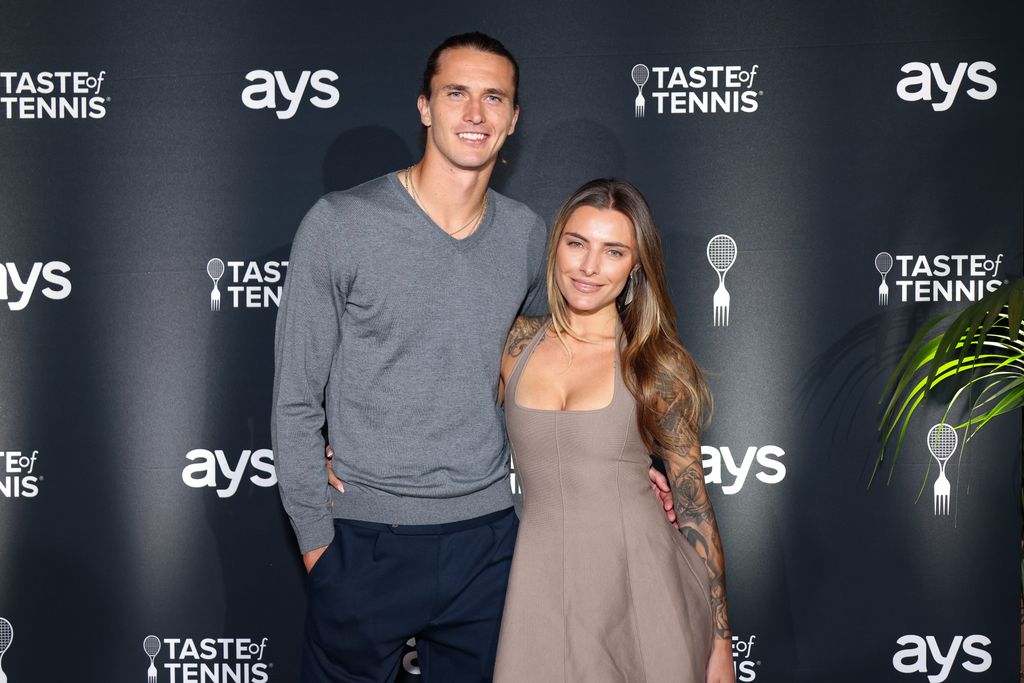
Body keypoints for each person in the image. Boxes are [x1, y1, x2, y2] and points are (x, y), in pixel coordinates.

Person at [272, 34, 676, 683]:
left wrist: (631, 464)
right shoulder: (338, 224)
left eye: (495, 97)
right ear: (425, 107)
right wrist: (320, 543)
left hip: (490, 543)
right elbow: (295, 399)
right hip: (366, 540)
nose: (475, 113)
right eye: (456, 93)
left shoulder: (525, 236)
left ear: (514, 119)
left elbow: (574, 350)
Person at [492, 179, 736, 683]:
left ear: (635, 266)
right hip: (539, 586)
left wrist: (719, 643)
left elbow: (693, 505)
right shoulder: (513, 344)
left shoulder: (654, 365)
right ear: (556, 244)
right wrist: (344, 450)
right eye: (576, 243)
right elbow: (436, 416)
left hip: (640, 586)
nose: (588, 266)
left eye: (613, 251)